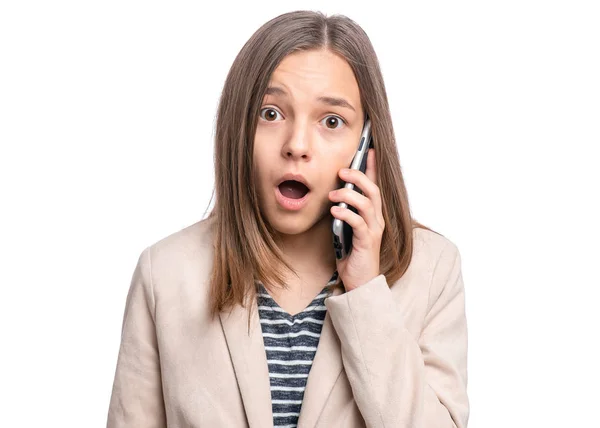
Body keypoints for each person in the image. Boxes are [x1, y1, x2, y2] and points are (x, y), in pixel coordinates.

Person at [106, 10, 469, 428]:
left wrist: (366, 291)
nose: (297, 145)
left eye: (332, 121)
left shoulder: (432, 269)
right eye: (271, 113)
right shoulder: (165, 274)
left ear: (366, 142)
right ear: (238, 128)